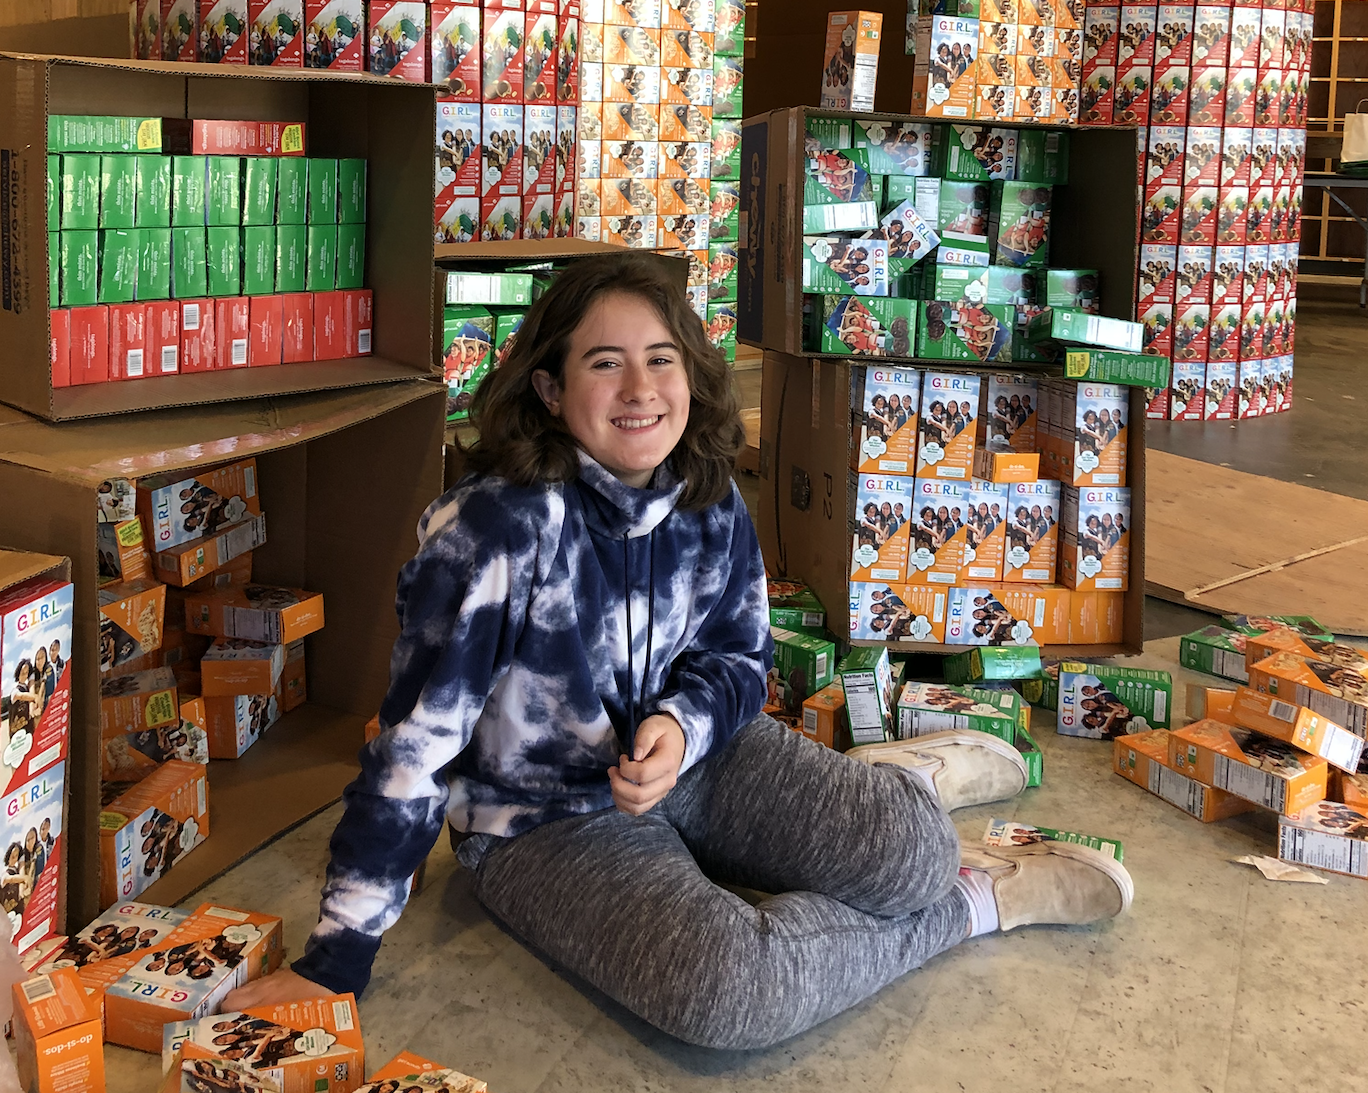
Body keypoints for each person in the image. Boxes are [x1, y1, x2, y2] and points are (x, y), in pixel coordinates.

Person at [221, 256, 1132, 1048]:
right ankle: (978, 902)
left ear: (691, 373)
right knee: (734, 988)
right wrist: (334, 961)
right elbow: (414, 745)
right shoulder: (493, 531)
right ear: (549, 389)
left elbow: (741, 654)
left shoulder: (706, 492)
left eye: (661, 359)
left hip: (698, 758)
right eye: (603, 363)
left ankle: (907, 794)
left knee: (914, 852)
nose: (640, 389)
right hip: (542, 823)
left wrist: (683, 726)